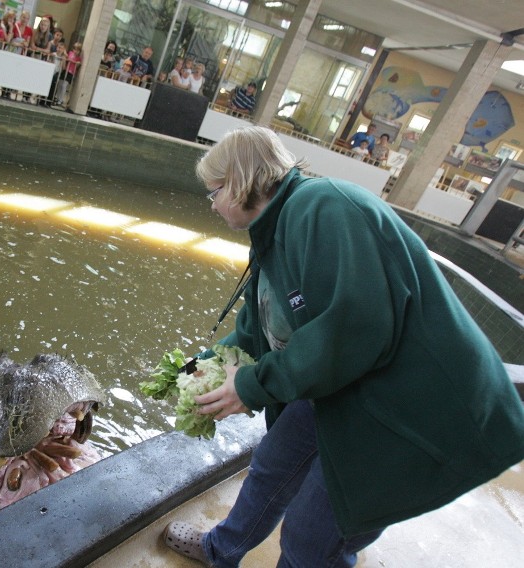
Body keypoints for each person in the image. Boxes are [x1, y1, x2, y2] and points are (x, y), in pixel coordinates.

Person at [161, 125, 524, 568]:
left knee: (314, 538)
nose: (213, 203)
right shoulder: (278, 225)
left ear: (239, 183)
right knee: (274, 463)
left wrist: (254, 385)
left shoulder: (324, 208)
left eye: (214, 192)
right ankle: (222, 549)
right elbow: (262, 326)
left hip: (403, 403)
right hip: (347, 383)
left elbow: (353, 328)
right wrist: (203, 366)